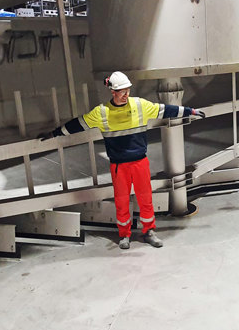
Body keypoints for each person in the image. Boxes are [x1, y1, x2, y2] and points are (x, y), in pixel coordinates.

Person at [39, 71, 206, 249]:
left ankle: (149, 231)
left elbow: (164, 110)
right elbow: (78, 124)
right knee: (122, 200)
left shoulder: (140, 105)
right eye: (122, 91)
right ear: (113, 92)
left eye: (128, 90)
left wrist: (190, 111)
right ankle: (124, 234)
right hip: (119, 166)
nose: (126, 94)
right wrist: (54, 133)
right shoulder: (102, 113)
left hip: (140, 162)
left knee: (145, 198)